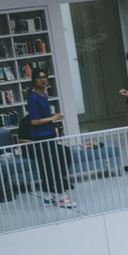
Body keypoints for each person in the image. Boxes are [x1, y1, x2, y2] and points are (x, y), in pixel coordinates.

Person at [25, 70, 74, 208]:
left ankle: (54, 194)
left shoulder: (44, 95)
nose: (43, 80)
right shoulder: (33, 98)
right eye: (40, 78)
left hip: (49, 135)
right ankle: (60, 195)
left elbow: (42, 117)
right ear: (34, 80)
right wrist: (52, 118)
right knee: (54, 164)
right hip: (41, 138)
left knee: (64, 154)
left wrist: (53, 117)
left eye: (45, 77)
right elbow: (34, 121)